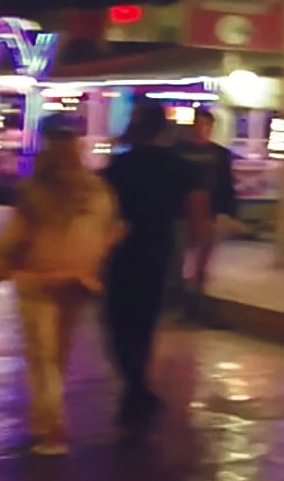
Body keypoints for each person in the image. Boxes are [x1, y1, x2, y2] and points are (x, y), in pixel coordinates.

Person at [0, 125, 123, 454]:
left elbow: (14, 238)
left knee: (42, 355)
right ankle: (47, 420)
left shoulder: (33, 192)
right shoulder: (98, 191)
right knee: (56, 354)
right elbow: (110, 231)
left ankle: (49, 426)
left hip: (37, 279)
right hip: (76, 280)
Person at [102, 102, 205, 435]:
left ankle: (133, 380)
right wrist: (197, 253)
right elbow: (196, 213)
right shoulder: (181, 167)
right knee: (146, 319)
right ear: (165, 129)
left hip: (120, 247)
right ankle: (138, 384)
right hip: (159, 248)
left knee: (118, 319)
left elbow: (101, 208)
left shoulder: (118, 166)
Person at [174, 108, 239, 313]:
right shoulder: (179, 152)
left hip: (207, 214)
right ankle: (182, 299)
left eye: (205, 125)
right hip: (182, 213)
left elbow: (226, 184)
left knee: (201, 260)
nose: (202, 130)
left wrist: (226, 211)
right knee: (179, 258)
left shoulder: (219, 155)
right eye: (199, 125)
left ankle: (194, 299)